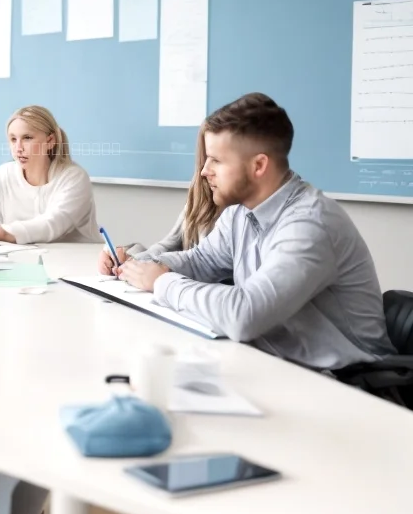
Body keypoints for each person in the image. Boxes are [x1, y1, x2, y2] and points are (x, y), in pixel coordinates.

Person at [119, 92, 396, 370]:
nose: (204, 171)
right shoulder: (241, 211)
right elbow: (200, 261)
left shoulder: (310, 224)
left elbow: (244, 315)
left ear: (259, 165)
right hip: (280, 364)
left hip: (349, 385)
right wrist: (136, 266)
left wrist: (162, 283)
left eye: (216, 160)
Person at [0, 105, 98, 244]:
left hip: (75, 262)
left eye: (27, 138)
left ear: (50, 141)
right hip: (22, 260)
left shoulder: (74, 177)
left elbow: (52, 224)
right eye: (13, 139)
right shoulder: (5, 174)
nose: (18, 148)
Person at [97, 123, 223, 276]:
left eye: (216, 159)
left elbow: (203, 263)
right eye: (206, 158)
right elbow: (171, 245)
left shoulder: (239, 217)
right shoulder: (200, 195)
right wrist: (132, 262)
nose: (204, 170)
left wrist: (158, 273)